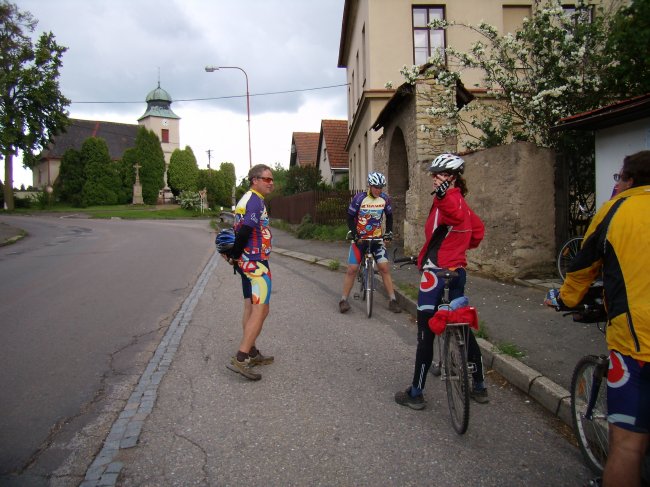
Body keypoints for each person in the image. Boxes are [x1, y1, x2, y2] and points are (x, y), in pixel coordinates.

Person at [551, 151, 650, 487]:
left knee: (627, 446)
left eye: (619, 178)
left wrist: (565, 299)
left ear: (630, 180)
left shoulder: (616, 210)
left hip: (637, 343)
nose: (617, 184)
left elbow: (582, 267)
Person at [394, 153, 488, 409]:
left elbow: (453, 215)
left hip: (435, 275)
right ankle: (479, 385)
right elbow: (477, 232)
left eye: (442, 175)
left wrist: (443, 196)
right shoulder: (462, 203)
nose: (436, 179)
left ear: (453, 178)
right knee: (461, 325)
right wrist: (456, 248)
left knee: (425, 333)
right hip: (457, 272)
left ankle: (416, 392)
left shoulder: (448, 200)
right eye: (434, 175)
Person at [223, 164, 275, 381]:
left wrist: (236, 257)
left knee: (250, 307)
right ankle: (241, 357)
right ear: (255, 180)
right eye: (267, 179)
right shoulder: (254, 200)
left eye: (272, 179)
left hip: (246, 261)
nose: (271, 183)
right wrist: (235, 255)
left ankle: (252, 352)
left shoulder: (246, 199)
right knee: (261, 310)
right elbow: (245, 230)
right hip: (255, 262)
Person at [339, 172, 401, 314]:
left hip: (376, 240)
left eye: (381, 187)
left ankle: (393, 300)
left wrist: (389, 233)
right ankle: (343, 300)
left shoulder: (384, 199)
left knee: (384, 268)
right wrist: (355, 235)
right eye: (376, 187)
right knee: (352, 269)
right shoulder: (359, 198)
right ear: (370, 186)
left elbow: (389, 216)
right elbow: (349, 218)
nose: (378, 190)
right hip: (360, 239)